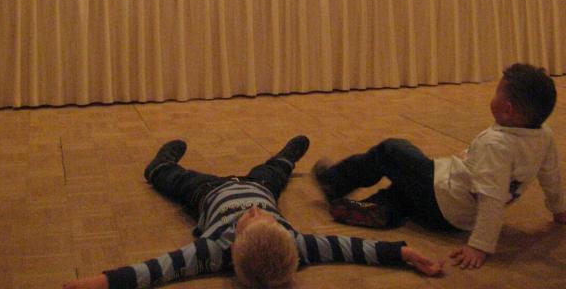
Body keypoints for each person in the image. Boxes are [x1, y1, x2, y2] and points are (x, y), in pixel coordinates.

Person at [62, 135, 443, 289]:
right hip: (260, 187)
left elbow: (156, 270)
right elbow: (351, 248)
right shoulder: (296, 244)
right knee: (273, 173)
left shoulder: (213, 250)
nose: (258, 213)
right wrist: (404, 253)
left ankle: (161, 162)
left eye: (253, 219)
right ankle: (286, 157)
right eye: (267, 218)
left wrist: (99, 282)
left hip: (209, 193)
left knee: (168, 178)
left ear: (235, 243)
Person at [312, 63, 566, 270]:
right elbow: (551, 176)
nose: (493, 95)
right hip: (457, 216)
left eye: (496, 92)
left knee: (392, 150)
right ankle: (382, 210)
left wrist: (480, 245)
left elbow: (492, 200)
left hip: (442, 197)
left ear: (507, 110)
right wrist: (559, 209)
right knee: (404, 192)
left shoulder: (496, 144)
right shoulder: (543, 136)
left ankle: (333, 181)